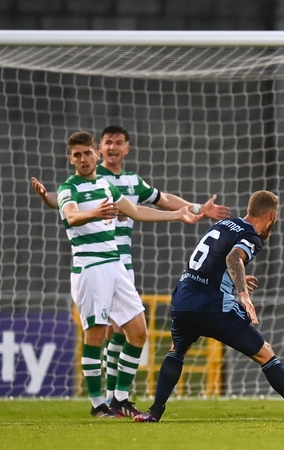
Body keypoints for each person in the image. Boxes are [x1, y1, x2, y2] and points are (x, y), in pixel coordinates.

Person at [31, 125, 230, 404]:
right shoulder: (77, 183)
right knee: (105, 331)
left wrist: (191, 210)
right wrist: (52, 199)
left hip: (120, 264)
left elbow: (154, 203)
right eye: (106, 143)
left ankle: (117, 395)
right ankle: (103, 400)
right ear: (97, 150)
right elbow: (66, 205)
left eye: (118, 143)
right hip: (92, 264)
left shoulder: (124, 183)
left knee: (132, 331)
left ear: (125, 149)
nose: (111, 148)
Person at [134, 190, 284, 423]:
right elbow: (232, 258)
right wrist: (243, 294)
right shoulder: (253, 236)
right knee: (265, 353)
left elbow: (214, 259)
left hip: (183, 300)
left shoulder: (226, 224)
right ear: (271, 216)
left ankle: (154, 413)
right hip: (213, 306)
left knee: (177, 350)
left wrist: (233, 277)